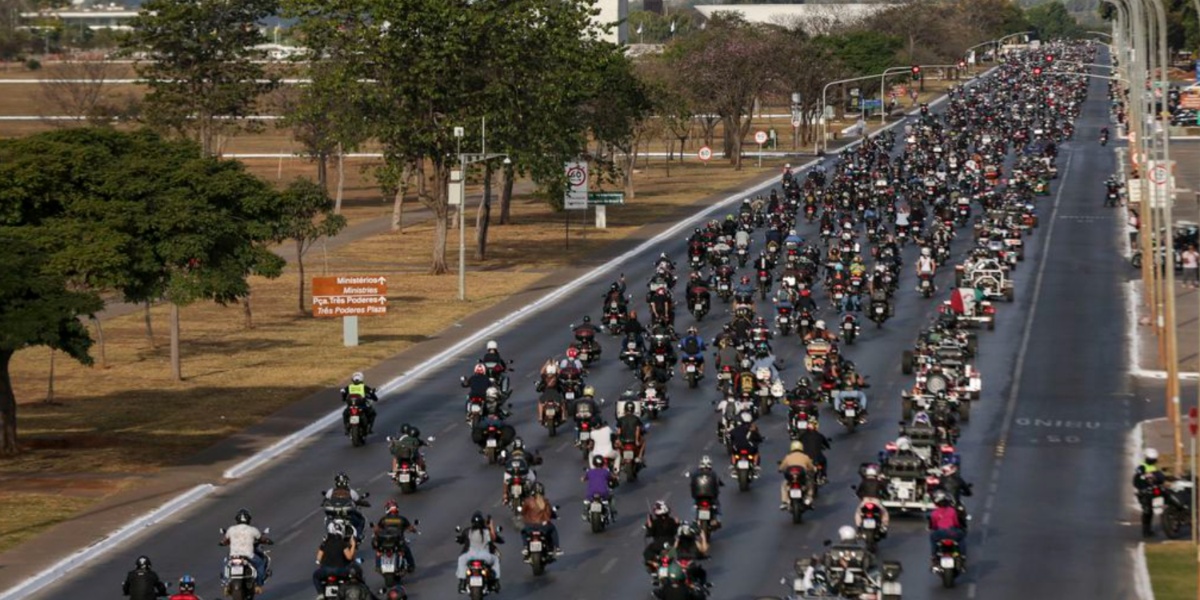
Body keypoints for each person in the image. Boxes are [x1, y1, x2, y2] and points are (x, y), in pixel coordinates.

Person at [220, 508, 271, 591]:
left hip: (233, 556)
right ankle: (258, 585)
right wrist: (268, 541)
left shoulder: (231, 529)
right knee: (261, 563)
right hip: (249, 555)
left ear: (237, 519)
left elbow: (224, 541)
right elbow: (262, 539)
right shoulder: (253, 530)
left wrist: (222, 543)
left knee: (226, 563)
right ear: (248, 519)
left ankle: (226, 584)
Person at [455, 512, 502, 594]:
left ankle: (462, 582)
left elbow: (461, 539)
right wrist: (491, 524)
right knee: (496, 560)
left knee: (461, 559)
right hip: (485, 556)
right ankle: (495, 582)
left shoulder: (468, 531)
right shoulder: (487, 531)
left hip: (470, 555)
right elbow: (494, 538)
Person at [373, 499, 417, 574]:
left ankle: (377, 566)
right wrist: (414, 530)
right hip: (398, 542)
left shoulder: (383, 519)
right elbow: (410, 528)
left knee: (379, 552)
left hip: (385, 542)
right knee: (406, 550)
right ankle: (411, 566)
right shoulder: (402, 519)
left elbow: (377, 529)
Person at [312, 522, 358, 593]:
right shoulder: (342, 543)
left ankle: (321, 593)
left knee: (315, 576)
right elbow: (349, 557)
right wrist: (353, 545)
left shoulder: (325, 543)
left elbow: (318, 558)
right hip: (340, 570)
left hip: (326, 570)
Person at [324, 472, 370, 540]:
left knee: (327, 520)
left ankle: (328, 535)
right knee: (361, 520)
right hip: (347, 515)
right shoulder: (351, 492)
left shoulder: (331, 491)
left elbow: (325, 500)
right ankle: (359, 535)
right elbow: (358, 501)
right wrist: (365, 503)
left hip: (335, 515)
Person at [520, 482, 563, 556]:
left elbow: (523, 512)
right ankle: (557, 548)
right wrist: (554, 516)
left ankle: (526, 547)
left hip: (530, 526)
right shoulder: (545, 502)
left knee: (523, 531)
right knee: (553, 530)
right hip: (543, 527)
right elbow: (549, 513)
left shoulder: (528, 501)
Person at [1134, 447, 1168, 537]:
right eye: (1150, 459)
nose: (1152, 461)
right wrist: (1145, 477)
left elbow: (1159, 476)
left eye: (1153, 459)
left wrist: (1161, 477)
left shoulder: (1153, 467)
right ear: (1146, 458)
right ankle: (1146, 530)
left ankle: (1171, 513)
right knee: (1147, 510)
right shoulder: (1142, 467)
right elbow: (1138, 477)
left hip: (1154, 489)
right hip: (1145, 491)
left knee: (1167, 494)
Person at [777, 440, 815, 510]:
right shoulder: (805, 456)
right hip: (801, 476)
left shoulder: (788, 456)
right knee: (809, 484)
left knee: (784, 485)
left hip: (790, 476)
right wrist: (813, 469)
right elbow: (811, 467)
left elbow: (782, 466)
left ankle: (784, 502)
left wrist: (779, 469)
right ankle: (808, 499)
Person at [643, 501, 680, 571]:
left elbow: (650, 533)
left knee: (647, 553)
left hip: (658, 545)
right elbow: (675, 532)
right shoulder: (672, 520)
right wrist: (677, 524)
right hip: (671, 543)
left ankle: (654, 565)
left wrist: (649, 524)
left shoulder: (655, 522)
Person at [929, 490, 966, 559]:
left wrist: (932, 528)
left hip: (940, 533)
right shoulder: (952, 511)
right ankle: (963, 554)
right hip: (952, 532)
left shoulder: (934, 513)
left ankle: (933, 555)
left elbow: (933, 526)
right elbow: (956, 523)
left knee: (932, 538)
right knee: (961, 537)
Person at [689, 456, 724, 528]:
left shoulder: (696, 473)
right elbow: (718, 482)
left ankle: (695, 520)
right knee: (718, 506)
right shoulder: (713, 473)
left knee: (694, 506)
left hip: (699, 497)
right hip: (710, 497)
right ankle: (718, 520)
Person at [616, 400, 647, 466]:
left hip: (623, 441)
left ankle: (620, 458)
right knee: (643, 441)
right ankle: (639, 456)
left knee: (616, 446)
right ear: (633, 409)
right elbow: (638, 430)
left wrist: (618, 440)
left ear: (625, 409)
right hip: (633, 441)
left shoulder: (621, 419)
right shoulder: (636, 419)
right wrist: (636, 441)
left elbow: (618, 431)